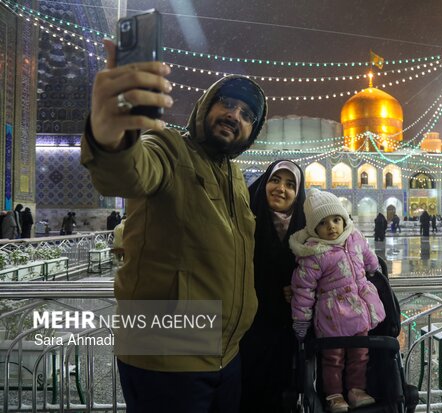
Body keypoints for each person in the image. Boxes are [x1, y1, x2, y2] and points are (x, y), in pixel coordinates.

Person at [80, 38, 267, 413]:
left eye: (247, 114)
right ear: (206, 107)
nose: (234, 115)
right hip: (166, 354)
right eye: (227, 104)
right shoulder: (169, 148)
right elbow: (127, 171)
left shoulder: (234, 177)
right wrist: (112, 127)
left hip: (225, 354)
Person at [289, 188, 386, 412]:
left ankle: (356, 390)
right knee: (333, 358)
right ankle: (334, 395)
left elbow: (368, 255)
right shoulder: (314, 253)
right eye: (323, 223)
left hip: (360, 312)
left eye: (336, 220)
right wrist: (301, 320)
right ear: (314, 228)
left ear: (344, 219)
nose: (331, 226)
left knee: (360, 355)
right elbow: (303, 290)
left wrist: (375, 268)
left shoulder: (354, 237)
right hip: (333, 317)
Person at [240, 160, 306, 413]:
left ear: (298, 193)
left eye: (290, 185)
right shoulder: (243, 220)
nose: (281, 189)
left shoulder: (307, 230)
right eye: (275, 180)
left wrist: (302, 289)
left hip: (287, 331)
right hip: (247, 326)